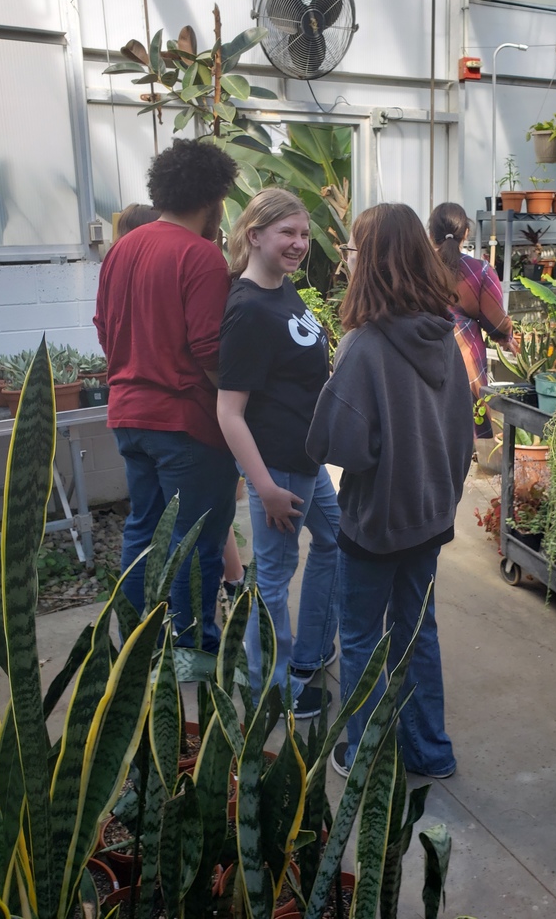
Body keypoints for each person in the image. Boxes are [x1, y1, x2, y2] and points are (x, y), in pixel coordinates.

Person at [306, 202, 473, 778]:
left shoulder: (364, 346)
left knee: (359, 638)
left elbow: (343, 446)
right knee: (416, 630)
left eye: (353, 249)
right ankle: (431, 752)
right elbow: (461, 431)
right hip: (429, 515)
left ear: (369, 260)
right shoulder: (443, 336)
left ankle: (368, 757)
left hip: (374, 521)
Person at [94, 139, 239, 653]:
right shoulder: (200, 257)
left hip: (128, 416)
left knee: (143, 529)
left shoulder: (122, 250)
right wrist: (242, 408)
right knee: (194, 541)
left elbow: (104, 328)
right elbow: (209, 350)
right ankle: (193, 644)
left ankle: (136, 641)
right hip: (186, 426)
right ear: (214, 196)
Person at [217, 189, 340, 720]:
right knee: (272, 577)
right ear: (256, 236)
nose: (298, 243)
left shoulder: (284, 290)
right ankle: (273, 687)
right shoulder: (247, 309)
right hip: (279, 466)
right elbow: (229, 412)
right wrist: (263, 485)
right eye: (287, 233)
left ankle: (308, 652)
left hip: (307, 459)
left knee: (336, 541)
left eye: (304, 234)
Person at [427, 201, 517, 441]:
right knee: (467, 429)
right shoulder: (481, 270)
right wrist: (506, 337)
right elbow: (495, 321)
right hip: (467, 361)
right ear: (466, 233)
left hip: (422, 353)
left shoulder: (417, 269)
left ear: (429, 233)